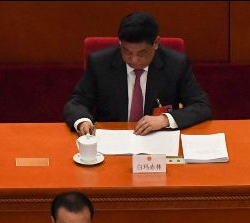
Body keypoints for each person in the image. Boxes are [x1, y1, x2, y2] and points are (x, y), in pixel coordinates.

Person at [63, 12, 211, 137]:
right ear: (120, 42)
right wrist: (83, 120)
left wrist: (165, 119)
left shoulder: (176, 64)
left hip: (157, 142)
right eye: (127, 52)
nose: (134, 59)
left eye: (142, 53)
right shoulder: (99, 63)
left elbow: (201, 106)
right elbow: (77, 102)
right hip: (113, 140)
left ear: (156, 43)